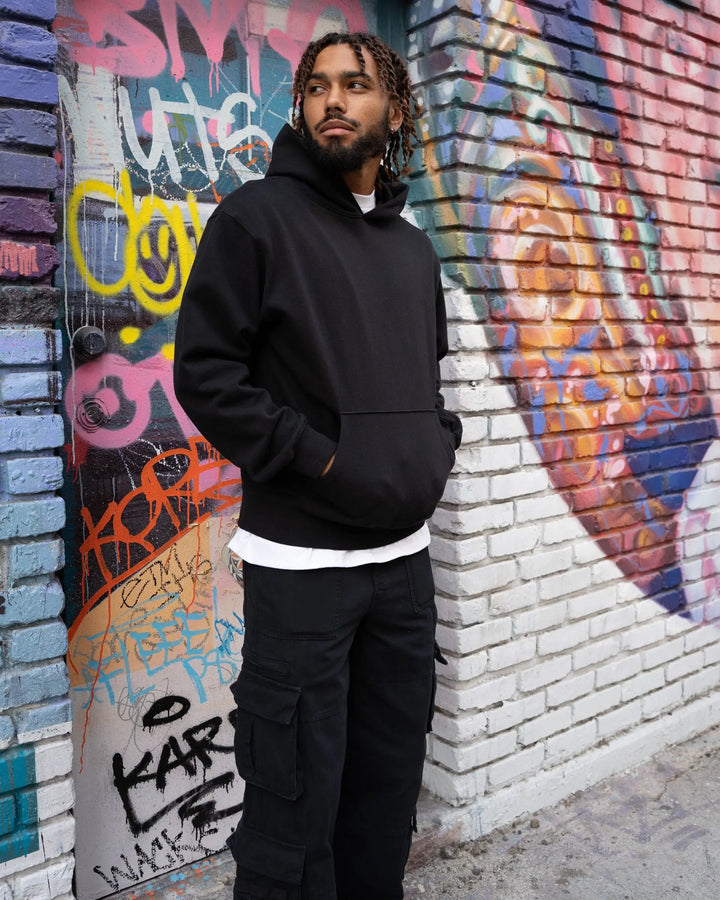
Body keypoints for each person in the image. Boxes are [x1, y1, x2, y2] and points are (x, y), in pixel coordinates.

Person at [173, 30, 462, 900]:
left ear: (395, 110)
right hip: (302, 573)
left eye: (356, 84)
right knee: (293, 820)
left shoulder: (412, 249)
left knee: (385, 802)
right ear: (301, 108)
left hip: (404, 573)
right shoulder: (255, 220)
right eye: (317, 86)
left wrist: (433, 450)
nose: (334, 99)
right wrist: (324, 463)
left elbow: (427, 384)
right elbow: (208, 377)